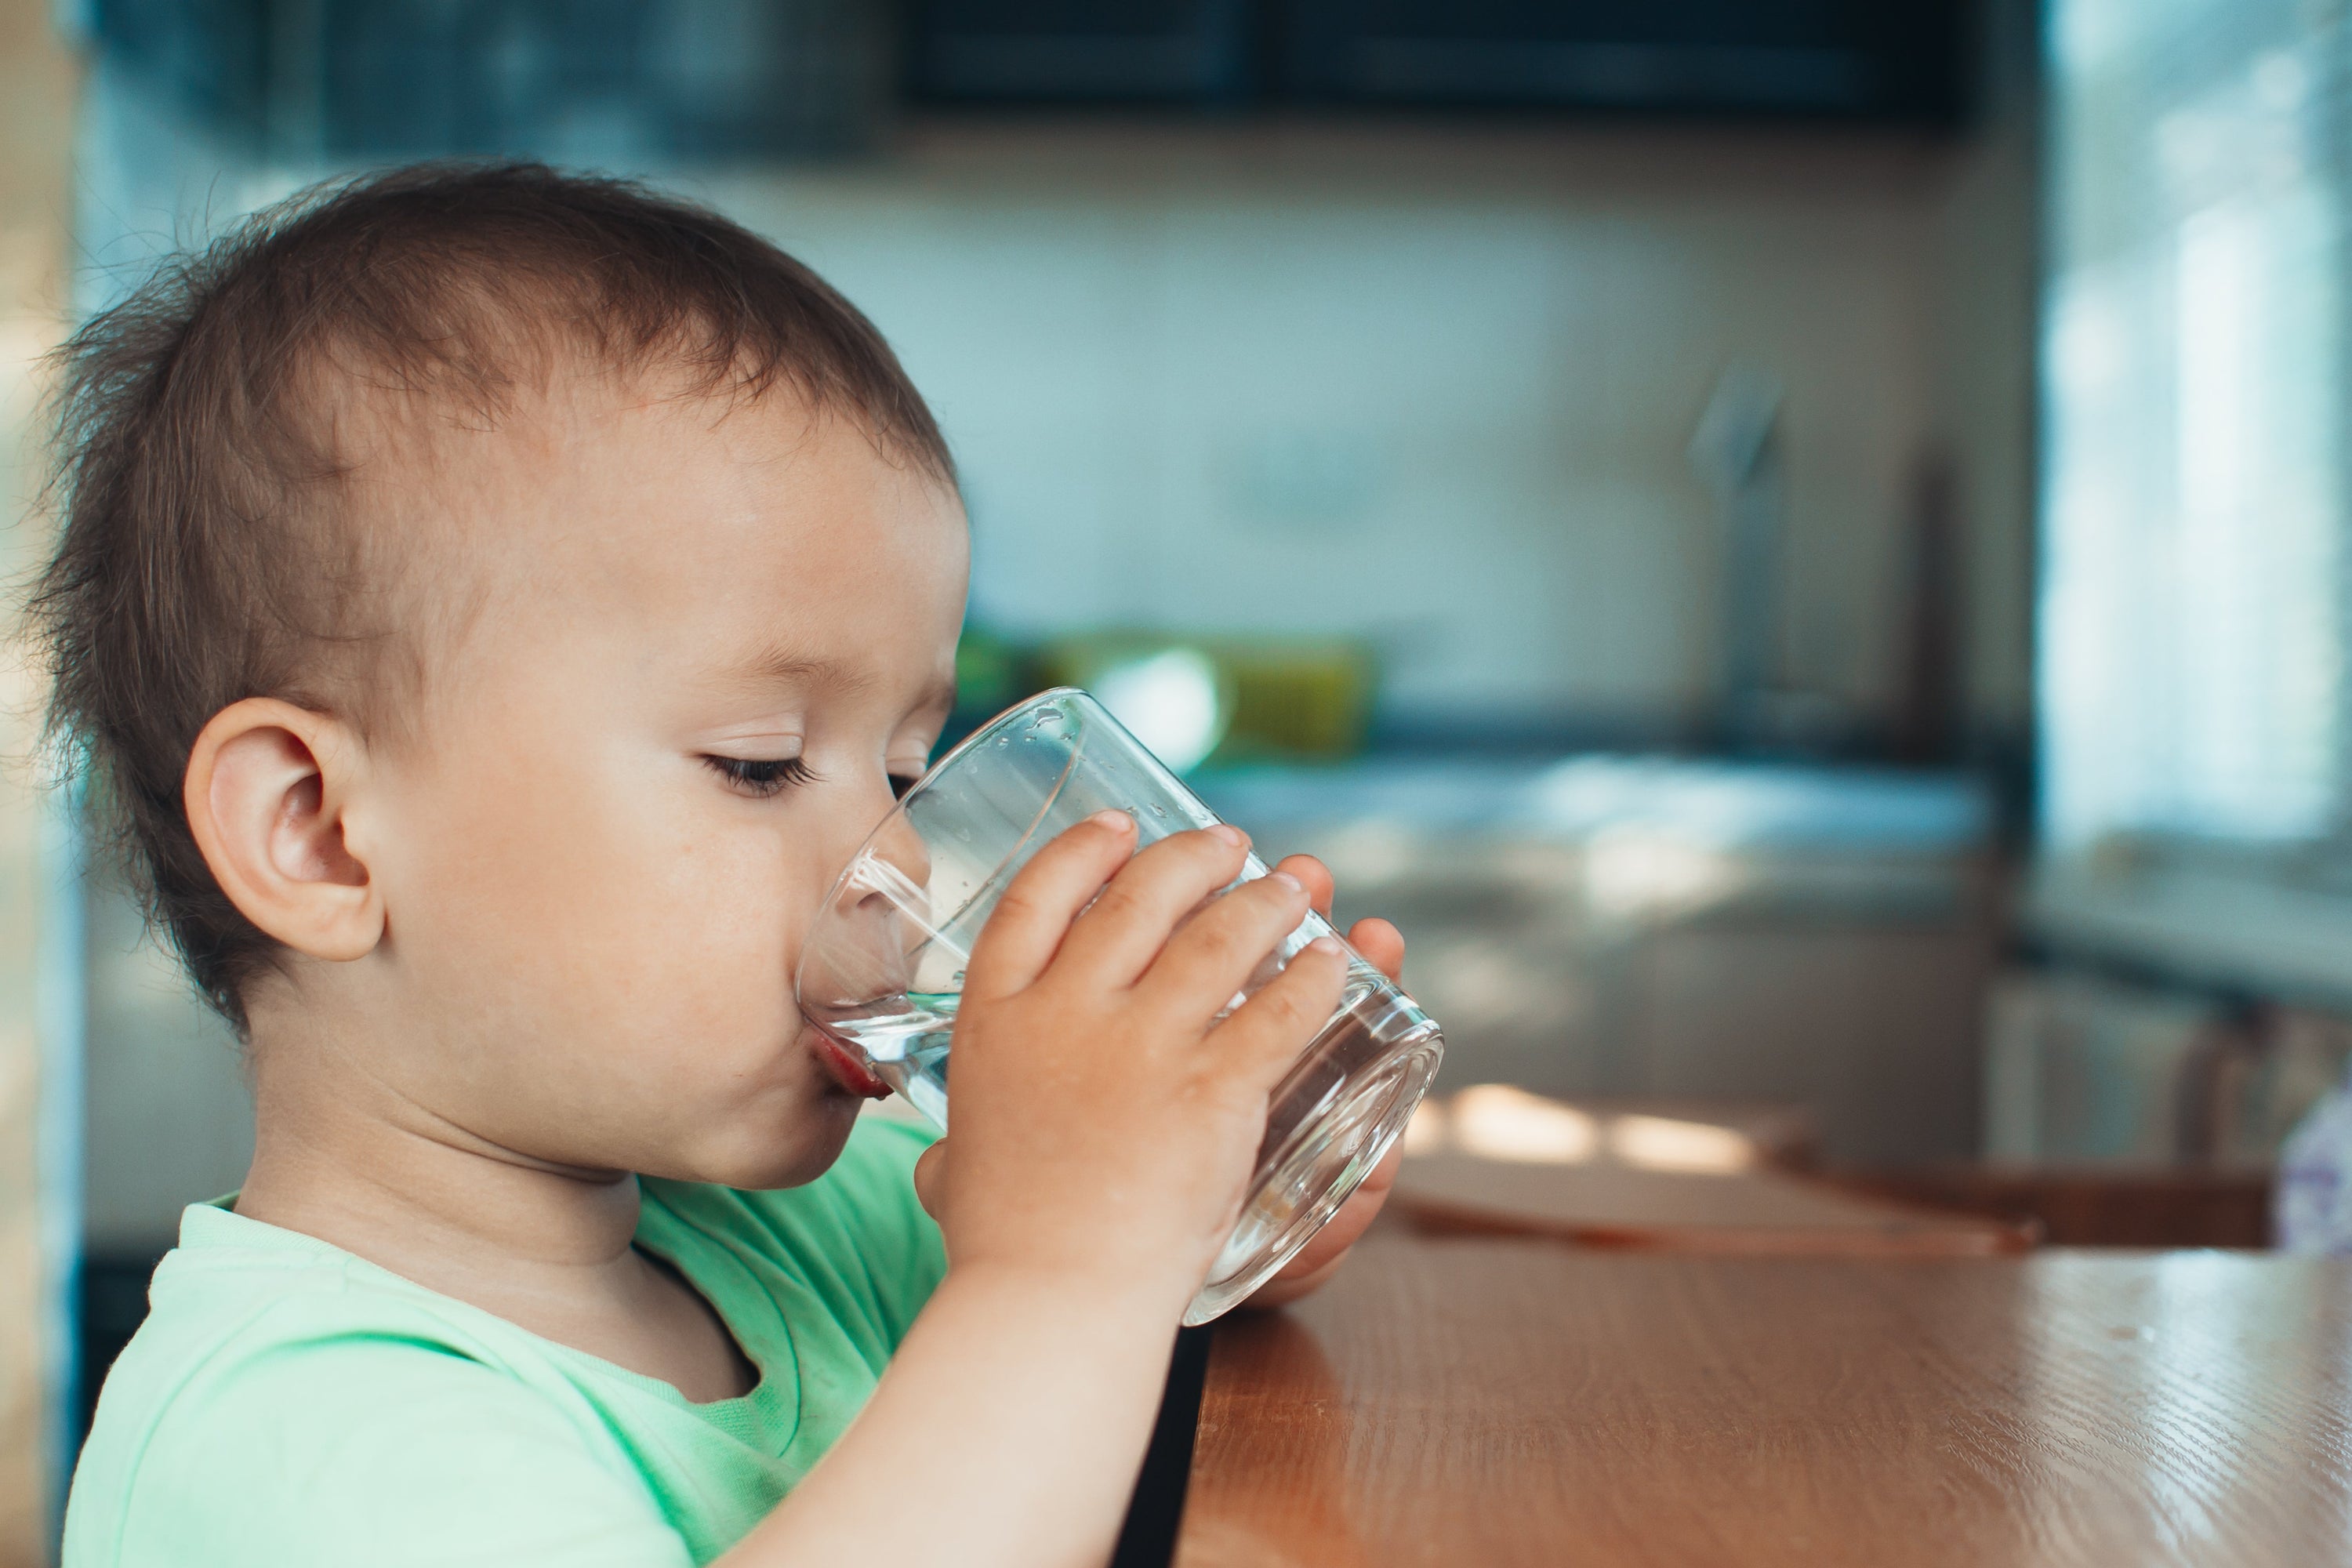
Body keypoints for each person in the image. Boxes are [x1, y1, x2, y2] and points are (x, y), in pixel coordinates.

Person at [38, 162, 1404, 1568]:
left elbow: (1066, 1344)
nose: (902, 870)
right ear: (320, 834)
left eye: (902, 770)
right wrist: (1070, 1268)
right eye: (758, 762)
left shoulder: (792, 1227)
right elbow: (1049, 1305)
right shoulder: (297, 1445)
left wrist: (1204, 1212)